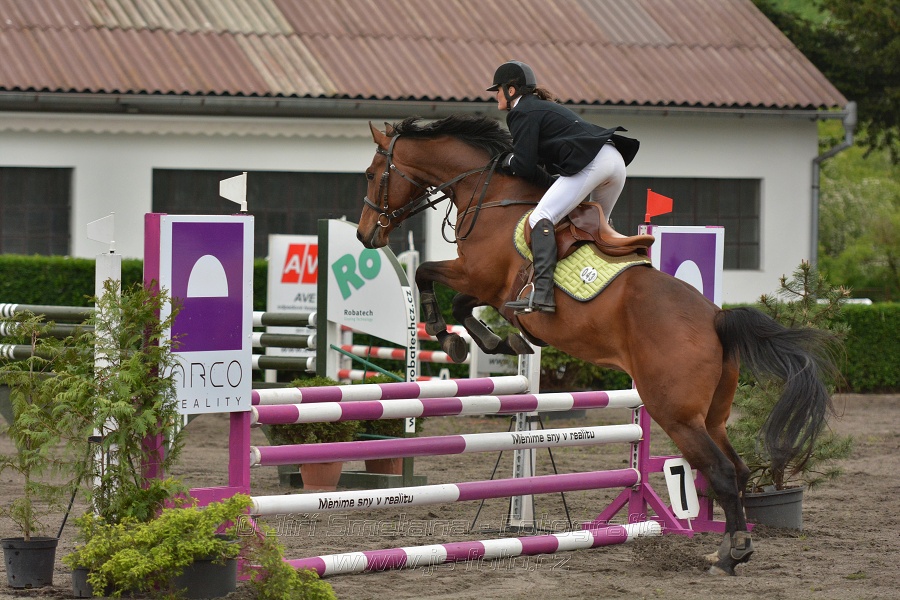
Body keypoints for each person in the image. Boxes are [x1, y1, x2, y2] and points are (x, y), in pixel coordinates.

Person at [488, 60, 640, 314]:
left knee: (540, 217)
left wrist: (507, 160)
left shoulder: (521, 112)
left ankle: (543, 294)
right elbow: (538, 161)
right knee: (595, 227)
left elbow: (524, 165)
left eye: (497, 90)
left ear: (511, 90)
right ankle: (600, 281)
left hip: (594, 163)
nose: (496, 96)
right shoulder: (540, 107)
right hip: (614, 160)